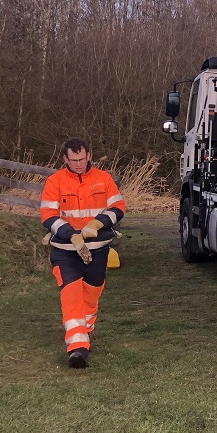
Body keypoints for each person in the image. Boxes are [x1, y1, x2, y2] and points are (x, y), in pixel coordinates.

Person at [40, 138, 125, 368]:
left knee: (91, 297)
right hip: (65, 252)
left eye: (82, 159)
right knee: (72, 298)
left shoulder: (103, 179)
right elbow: (48, 215)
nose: (78, 164)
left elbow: (118, 207)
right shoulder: (54, 182)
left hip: (97, 251)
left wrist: (97, 224)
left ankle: (83, 332)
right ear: (65, 159)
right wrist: (70, 233)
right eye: (73, 160)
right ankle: (77, 349)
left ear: (89, 155)